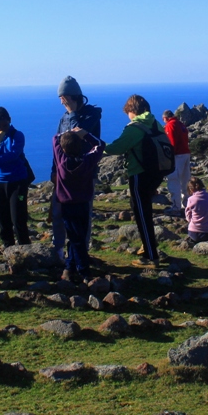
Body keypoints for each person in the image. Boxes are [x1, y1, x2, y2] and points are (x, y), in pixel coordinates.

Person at [103, 94, 165, 268]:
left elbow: (117, 147)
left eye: (128, 112)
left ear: (132, 110)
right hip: (155, 174)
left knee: (141, 214)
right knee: (144, 211)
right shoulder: (155, 123)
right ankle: (148, 249)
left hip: (139, 174)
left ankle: (151, 257)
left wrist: (96, 147)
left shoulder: (135, 127)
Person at [51, 76, 102, 260]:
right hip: (63, 173)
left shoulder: (91, 115)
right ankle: (58, 250)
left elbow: (76, 135)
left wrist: (72, 112)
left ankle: (81, 252)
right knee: (58, 212)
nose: (61, 101)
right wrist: (54, 170)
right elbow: (57, 144)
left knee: (82, 214)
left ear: (72, 96)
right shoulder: (64, 117)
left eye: (63, 97)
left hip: (84, 172)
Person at [52, 129, 105, 282]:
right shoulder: (88, 160)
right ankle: (78, 268)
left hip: (67, 206)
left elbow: (55, 139)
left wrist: (66, 132)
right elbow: (100, 145)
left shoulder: (61, 160)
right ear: (80, 146)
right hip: (83, 204)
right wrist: (85, 134)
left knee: (76, 238)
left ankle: (79, 269)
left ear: (63, 148)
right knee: (79, 237)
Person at [0, 107, 31, 248]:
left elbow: (12, 155)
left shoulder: (17, 135)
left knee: (18, 217)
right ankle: (8, 247)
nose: (2, 128)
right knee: (2, 218)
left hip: (17, 181)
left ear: (9, 121)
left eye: (5, 124)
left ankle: (25, 247)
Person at [162, 110, 191, 214]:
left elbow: (171, 142)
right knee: (185, 180)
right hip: (186, 153)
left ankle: (175, 206)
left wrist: (168, 157)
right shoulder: (181, 124)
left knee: (173, 180)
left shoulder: (170, 125)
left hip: (177, 155)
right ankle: (187, 204)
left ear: (166, 118)